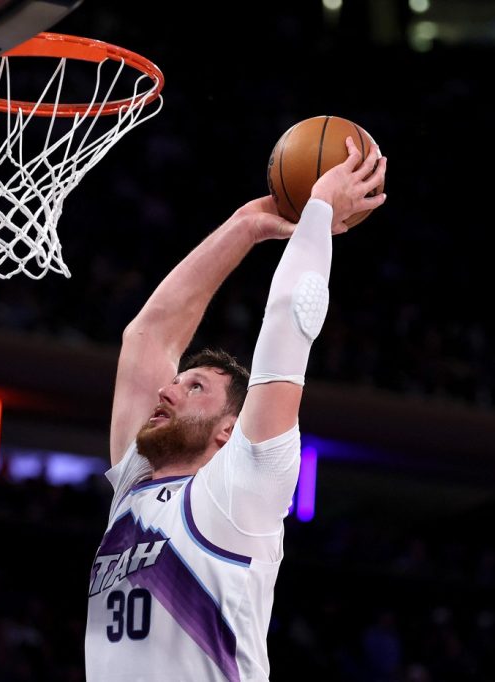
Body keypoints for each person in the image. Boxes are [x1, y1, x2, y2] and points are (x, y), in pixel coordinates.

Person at [85, 137, 387, 681]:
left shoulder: (243, 486)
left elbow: (291, 317)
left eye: (194, 387)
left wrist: (320, 208)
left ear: (230, 429)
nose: (167, 391)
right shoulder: (135, 484)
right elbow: (149, 335)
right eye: (176, 382)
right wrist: (245, 225)